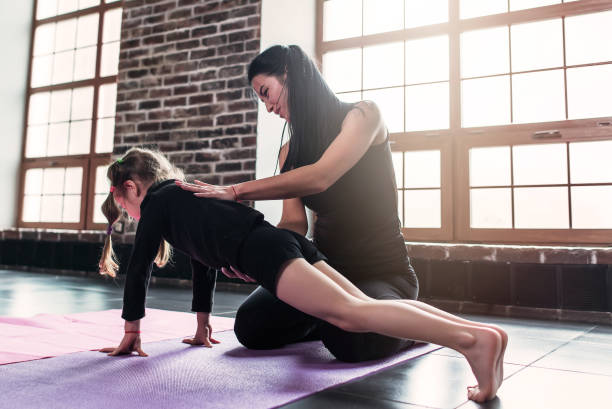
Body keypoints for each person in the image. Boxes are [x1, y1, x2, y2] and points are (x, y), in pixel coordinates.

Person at [97, 147, 506, 403]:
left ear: (132, 188)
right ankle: (481, 333)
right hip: (284, 242)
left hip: (267, 251)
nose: (131, 217)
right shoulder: (185, 196)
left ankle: (468, 342)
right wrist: (202, 325)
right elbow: (205, 264)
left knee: (350, 315)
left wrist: (132, 330)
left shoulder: (157, 205)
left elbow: (139, 268)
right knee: (365, 306)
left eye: (124, 206)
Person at [177, 44, 417, 362]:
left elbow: (321, 176)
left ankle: (411, 325)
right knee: (251, 328)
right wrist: (259, 256)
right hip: (325, 272)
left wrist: (235, 191)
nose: (268, 107)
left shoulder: (363, 115)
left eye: (266, 92)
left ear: (289, 74)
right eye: (261, 99)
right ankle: (334, 317)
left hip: (384, 273)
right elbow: (293, 224)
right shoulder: (289, 151)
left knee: (349, 341)